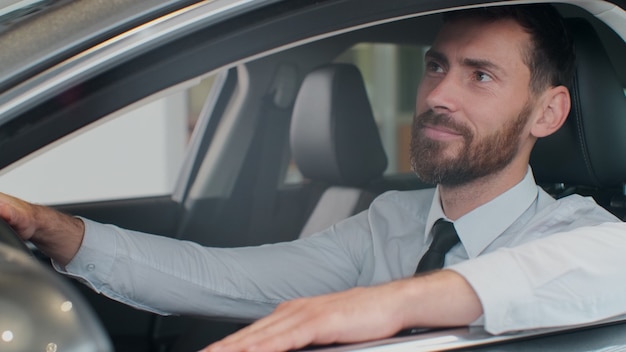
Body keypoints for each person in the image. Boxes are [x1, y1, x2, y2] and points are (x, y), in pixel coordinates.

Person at [0, 4, 623, 352]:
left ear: (550, 112)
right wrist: (55, 231)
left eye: (479, 76)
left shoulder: (577, 234)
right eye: (437, 66)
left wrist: (374, 307)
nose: (438, 96)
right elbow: (222, 278)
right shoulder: (388, 221)